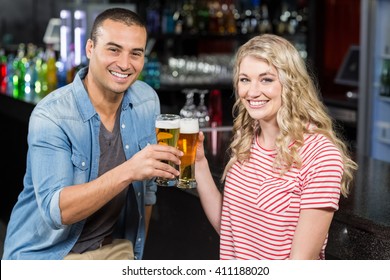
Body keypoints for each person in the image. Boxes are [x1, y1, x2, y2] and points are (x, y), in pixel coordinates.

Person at [2, 8, 182, 260]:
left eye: (136, 53)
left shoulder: (146, 100)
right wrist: (130, 170)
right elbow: (58, 211)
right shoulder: (52, 115)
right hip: (48, 256)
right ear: (90, 49)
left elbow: (148, 191)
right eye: (113, 49)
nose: (124, 63)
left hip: (113, 250)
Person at [195, 34, 358, 260]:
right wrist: (199, 164)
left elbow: (300, 262)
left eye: (266, 79)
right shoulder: (247, 139)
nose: (251, 92)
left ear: (290, 83)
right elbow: (233, 233)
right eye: (244, 79)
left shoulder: (320, 155)